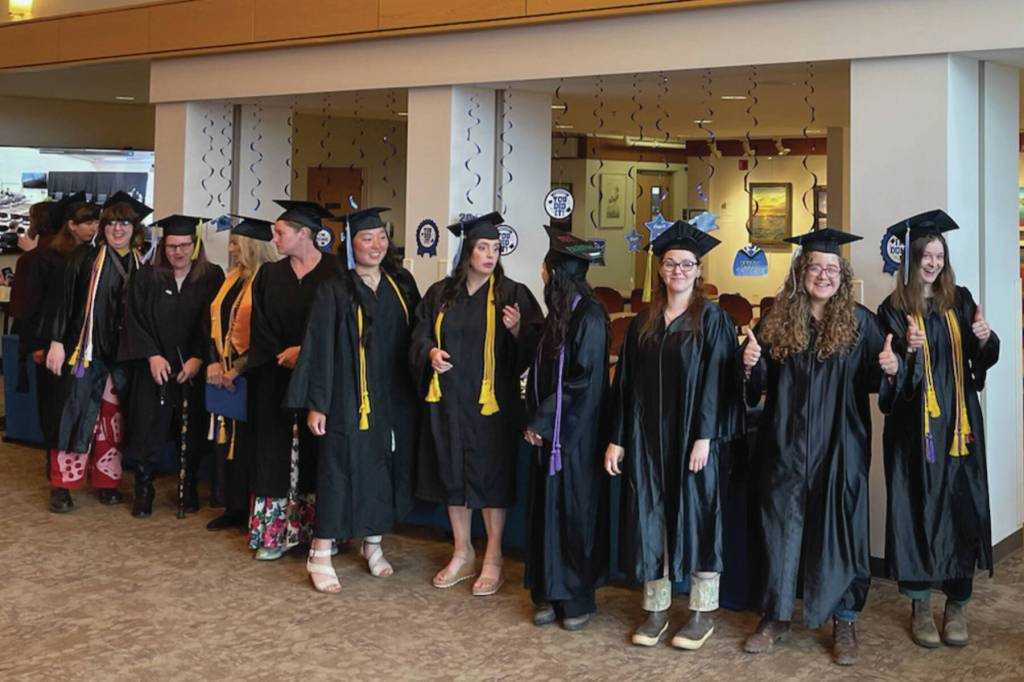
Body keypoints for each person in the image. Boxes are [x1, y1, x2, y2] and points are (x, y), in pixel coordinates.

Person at [741, 228, 901, 666]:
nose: (824, 275)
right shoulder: (775, 320)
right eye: (816, 267)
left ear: (842, 276)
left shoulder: (861, 322)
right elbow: (758, 387)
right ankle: (775, 616)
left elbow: (883, 377)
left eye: (832, 268)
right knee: (781, 529)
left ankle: (845, 618)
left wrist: (892, 368)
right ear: (801, 272)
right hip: (784, 446)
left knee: (842, 531)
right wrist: (750, 366)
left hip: (841, 447)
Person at [604, 221, 743, 649]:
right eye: (671, 263)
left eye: (687, 264)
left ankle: (701, 612)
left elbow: (720, 382)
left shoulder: (713, 319)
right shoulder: (643, 322)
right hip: (647, 441)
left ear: (698, 271)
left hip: (693, 442)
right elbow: (626, 385)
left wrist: (704, 436)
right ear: (660, 271)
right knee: (650, 521)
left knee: (700, 519)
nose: (679, 270)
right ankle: (657, 610)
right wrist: (619, 437)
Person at [876, 210, 998, 649]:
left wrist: (984, 338)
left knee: (962, 507)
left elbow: (979, 362)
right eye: (926, 255)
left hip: (960, 426)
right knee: (916, 511)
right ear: (910, 259)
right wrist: (904, 358)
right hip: (915, 432)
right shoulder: (891, 310)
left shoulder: (960, 300)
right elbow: (889, 381)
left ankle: (958, 604)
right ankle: (920, 605)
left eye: (939, 255)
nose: (932, 263)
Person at [287, 207, 422, 592]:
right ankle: (322, 551)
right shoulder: (334, 289)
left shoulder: (400, 284)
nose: (376, 245)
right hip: (346, 396)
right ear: (351, 244)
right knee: (338, 469)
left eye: (381, 237)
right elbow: (317, 346)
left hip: (391, 397)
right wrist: (317, 402)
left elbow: (418, 335)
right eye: (367, 238)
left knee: (382, 468)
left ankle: (373, 543)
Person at [410, 212, 542, 596]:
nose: (489, 255)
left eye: (495, 249)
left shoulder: (512, 294)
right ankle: (462, 550)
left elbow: (537, 345)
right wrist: (430, 352)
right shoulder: (441, 294)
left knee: (491, 476)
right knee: (452, 472)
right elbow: (416, 335)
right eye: (483, 247)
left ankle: (494, 556)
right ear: (468, 250)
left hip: (492, 405)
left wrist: (517, 329)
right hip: (448, 399)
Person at [41, 191, 152, 513]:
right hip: (84, 351)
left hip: (121, 357)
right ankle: (63, 486)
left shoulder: (141, 264)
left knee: (111, 421)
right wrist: (57, 342)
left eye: (125, 223)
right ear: (102, 227)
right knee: (75, 416)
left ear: (135, 228)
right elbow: (62, 301)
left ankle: (107, 482)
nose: (118, 229)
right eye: (112, 223)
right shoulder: (84, 259)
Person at [524, 226, 610, 630]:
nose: (542, 276)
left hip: (575, 438)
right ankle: (546, 591)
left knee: (573, 514)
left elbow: (582, 381)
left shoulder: (590, 317)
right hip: (552, 437)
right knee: (547, 512)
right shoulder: (560, 316)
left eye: (544, 270)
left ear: (557, 274)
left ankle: (575, 599)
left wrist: (544, 421)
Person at [246, 200, 339, 561]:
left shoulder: (335, 273)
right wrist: (282, 355)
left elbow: (342, 326)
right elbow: (261, 326)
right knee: (274, 452)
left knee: (319, 453)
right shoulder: (270, 274)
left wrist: (307, 352)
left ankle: (321, 532)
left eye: (280, 232)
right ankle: (275, 534)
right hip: (274, 377)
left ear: (304, 234)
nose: (275, 237)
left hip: (320, 379)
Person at [119, 215, 225, 517]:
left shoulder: (210, 276)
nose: (177, 252)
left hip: (190, 368)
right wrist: (151, 355)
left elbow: (213, 324)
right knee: (148, 425)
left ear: (195, 245)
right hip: (154, 367)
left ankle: (188, 483)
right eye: (171, 246)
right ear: (162, 247)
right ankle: (144, 487)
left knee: (190, 428)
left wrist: (199, 358)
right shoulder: (147, 277)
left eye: (184, 245)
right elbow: (134, 320)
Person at [205, 216, 280, 531]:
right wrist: (214, 361)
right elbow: (212, 320)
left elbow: (268, 334)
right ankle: (231, 506)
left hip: (254, 373)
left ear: (253, 246)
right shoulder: (233, 277)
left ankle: (250, 508)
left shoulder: (271, 280)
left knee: (250, 443)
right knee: (226, 440)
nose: (233, 249)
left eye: (237, 243)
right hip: (223, 369)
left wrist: (238, 367)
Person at [15, 195, 95, 475]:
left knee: (78, 406)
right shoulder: (44, 259)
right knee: (54, 406)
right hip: (50, 342)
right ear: (71, 225)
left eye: (96, 221)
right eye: (87, 222)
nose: (93, 227)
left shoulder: (93, 256)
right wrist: (37, 345)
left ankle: (73, 466)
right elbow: (32, 304)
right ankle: (56, 466)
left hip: (80, 344)